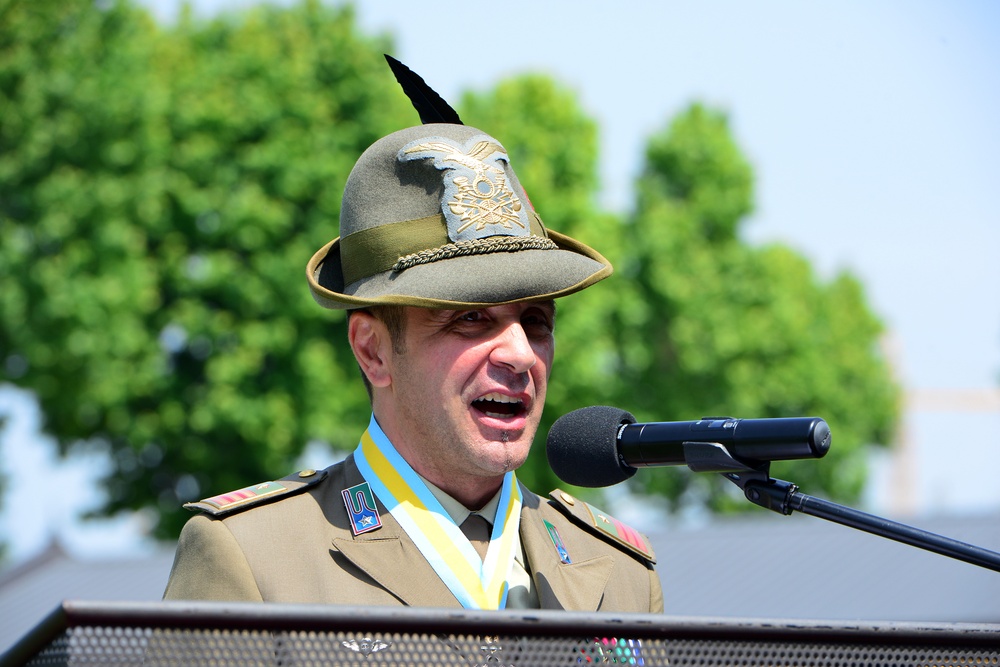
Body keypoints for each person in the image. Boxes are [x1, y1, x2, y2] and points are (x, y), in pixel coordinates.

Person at [163, 122, 663, 613]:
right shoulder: (253, 558)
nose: (520, 353)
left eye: (536, 321)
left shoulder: (620, 573)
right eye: (470, 318)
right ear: (373, 351)